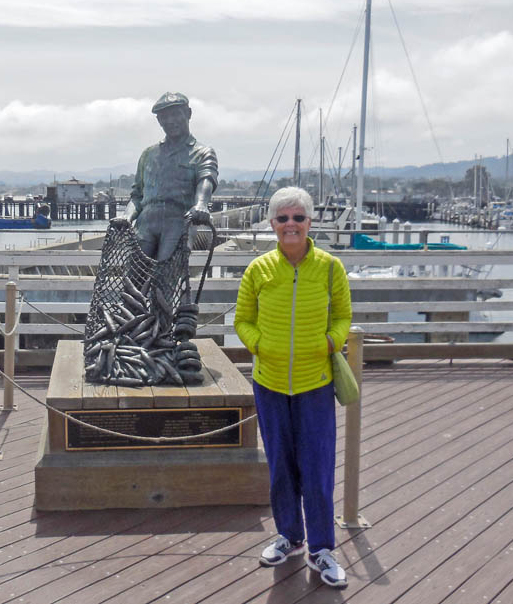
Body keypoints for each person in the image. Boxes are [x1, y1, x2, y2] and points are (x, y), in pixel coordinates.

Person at [234, 186, 352, 589]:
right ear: (271, 224)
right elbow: (242, 320)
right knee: (281, 466)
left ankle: (322, 548)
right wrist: (259, 345)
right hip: (269, 384)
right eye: (282, 218)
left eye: (298, 217)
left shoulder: (330, 268)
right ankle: (289, 536)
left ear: (310, 222)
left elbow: (343, 318)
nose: (290, 225)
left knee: (317, 469)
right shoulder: (258, 270)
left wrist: (328, 343)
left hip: (315, 384)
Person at [112, 92, 217, 260]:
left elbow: (206, 179)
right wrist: (127, 216)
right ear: (159, 121)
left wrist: (201, 204)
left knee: (166, 276)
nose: (170, 121)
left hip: (178, 223)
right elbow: (137, 195)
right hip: (145, 223)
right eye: (164, 117)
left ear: (188, 114)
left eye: (176, 114)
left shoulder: (203, 153)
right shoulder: (149, 154)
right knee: (133, 276)